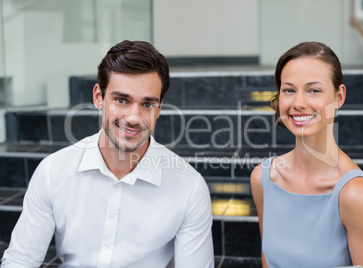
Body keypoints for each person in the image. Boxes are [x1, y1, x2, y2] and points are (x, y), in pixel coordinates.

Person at [1, 40, 214, 268]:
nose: (133, 117)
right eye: (121, 100)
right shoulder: (53, 172)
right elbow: (20, 261)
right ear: (98, 98)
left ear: (159, 108)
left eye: (147, 104)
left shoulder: (189, 187)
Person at [250, 42, 363, 268]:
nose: (299, 103)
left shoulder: (355, 195)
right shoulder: (263, 178)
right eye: (289, 90)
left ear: (339, 96)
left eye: (314, 90)